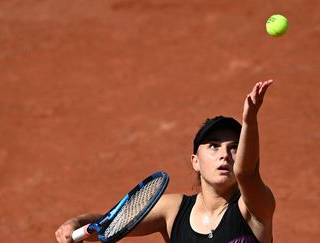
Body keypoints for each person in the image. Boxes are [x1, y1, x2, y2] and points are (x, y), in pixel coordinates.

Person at [55, 80, 276, 243]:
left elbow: (247, 174)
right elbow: (111, 225)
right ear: (195, 161)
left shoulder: (254, 208)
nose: (224, 154)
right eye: (213, 146)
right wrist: (75, 223)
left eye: (234, 147)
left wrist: (250, 122)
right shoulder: (173, 210)